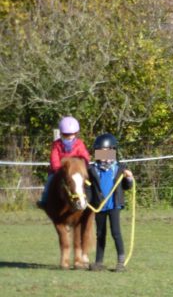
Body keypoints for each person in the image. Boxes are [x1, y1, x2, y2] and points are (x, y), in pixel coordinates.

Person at [87, 133, 134, 272]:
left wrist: (129, 178)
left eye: (106, 151)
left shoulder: (119, 168)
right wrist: (87, 202)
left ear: (113, 151)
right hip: (99, 206)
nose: (103, 155)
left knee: (116, 232)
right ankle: (99, 262)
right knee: (100, 234)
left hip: (114, 205)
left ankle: (121, 262)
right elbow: (89, 188)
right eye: (100, 151)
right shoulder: (93, 169)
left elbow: (126, 187)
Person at [37, 116, 91, 209]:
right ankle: (45, 200)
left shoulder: (79, 144)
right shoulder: (57, 144)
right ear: (61, 133)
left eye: (71, 134)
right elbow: (54, 158)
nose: (69, 137)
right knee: (49, 182)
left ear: (76, 133)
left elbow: (84, 156)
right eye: (66, 134)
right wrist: (58, 169)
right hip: (60, 171)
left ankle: (92, 199)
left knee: (89, 181)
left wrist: (83, 164)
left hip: (76, 171)